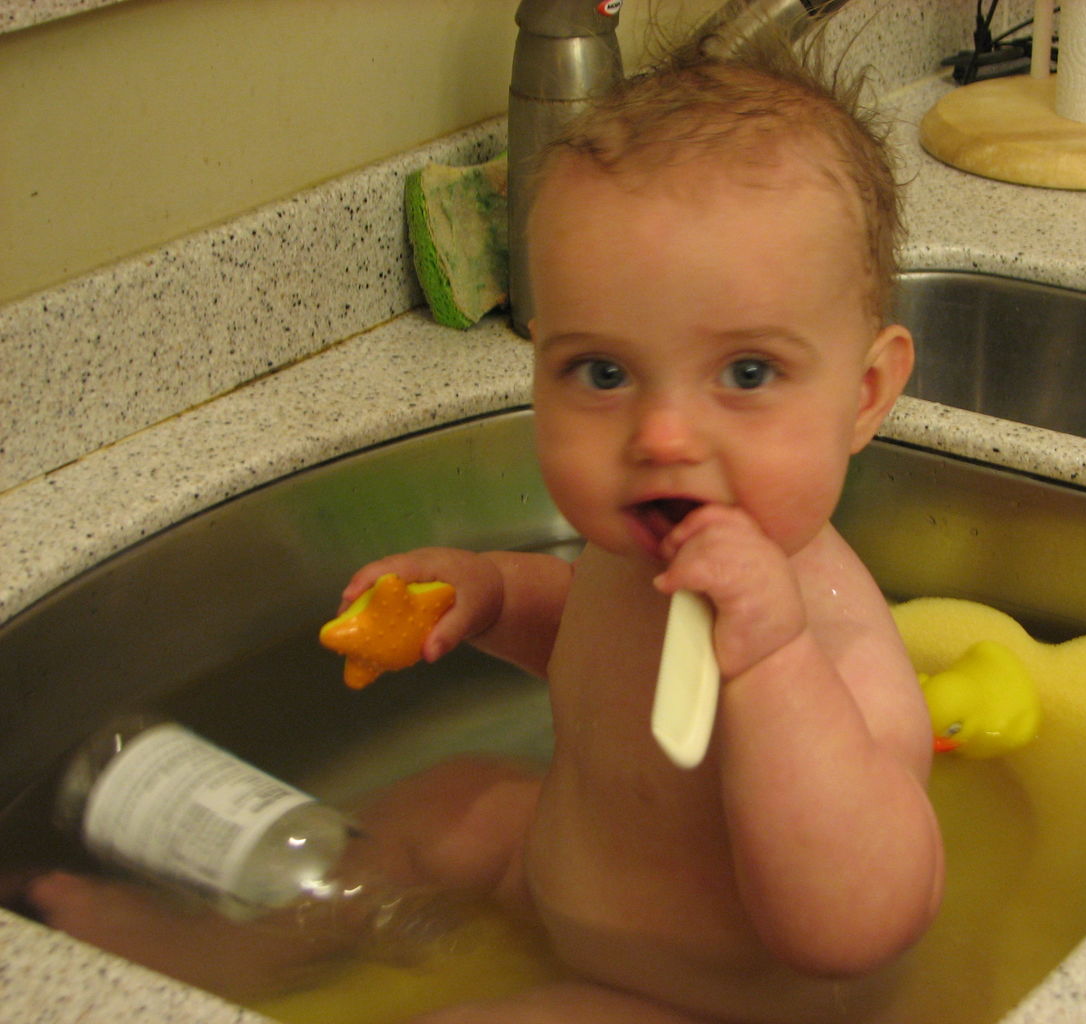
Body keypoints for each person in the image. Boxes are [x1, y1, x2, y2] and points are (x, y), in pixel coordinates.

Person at [30, 30, 943, 1024]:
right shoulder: (636, 547)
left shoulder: (837, 651)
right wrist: (492, 593)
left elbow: (854, 926)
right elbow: (593, 653)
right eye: (603, 372)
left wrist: (771, 667)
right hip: (564, 881)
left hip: (714, 1001)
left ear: (864, 395)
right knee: (454, 803)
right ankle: (227, 947)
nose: (664, 435)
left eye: (748, 372)